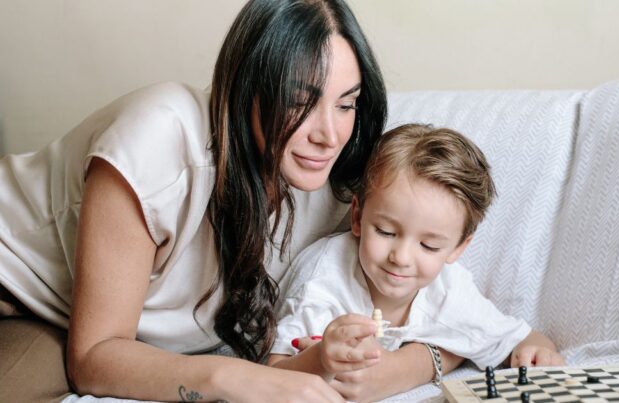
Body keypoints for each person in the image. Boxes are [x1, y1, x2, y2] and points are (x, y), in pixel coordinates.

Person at [0, 1, 463, 402]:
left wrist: (413, 365)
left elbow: (437, 298)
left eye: (345, 104)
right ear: (247, 89)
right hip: (18, 291)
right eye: (299, 103)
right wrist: (236, 379)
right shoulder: (159, 140)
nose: (328, 135)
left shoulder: (340, 183)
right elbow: (96, 355)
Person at [267, 124, 565, 397]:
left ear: (458, 247)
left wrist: (537, 352)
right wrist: (319, 359)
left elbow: (520, 340)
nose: (401, 257)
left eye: (429, 245)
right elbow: (271, 375)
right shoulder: (324, 281)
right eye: (385, 231)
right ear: (357, 216)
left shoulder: (449, 291)